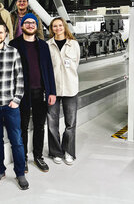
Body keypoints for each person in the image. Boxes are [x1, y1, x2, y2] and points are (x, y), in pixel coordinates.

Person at [0, 20, 29, 190]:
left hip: (10, 105)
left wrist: (16, 100)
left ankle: (20, 173)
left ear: (5, 34)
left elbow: (20, 78)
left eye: (0, 32)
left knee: (16, 140)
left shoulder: (13, 52)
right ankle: (0, 170)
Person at [9, 13, 56, 173]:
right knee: (21, 126)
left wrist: (52, 92)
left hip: (41, 92)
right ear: (22, 26)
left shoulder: (43, 45)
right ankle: (22, 158)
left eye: (33, 23)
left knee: (39, 126)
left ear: (37, 26)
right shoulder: (14, 44)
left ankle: (38, 156)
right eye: (27, 23)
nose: (30, 25)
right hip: (21, 93)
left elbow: (49, 69)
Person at [47, 17, 80, 165]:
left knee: (70, 123)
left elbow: (76, 63)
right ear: (51, 29)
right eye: (55, 26)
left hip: (70, 88)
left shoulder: (73, 44)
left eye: (60, 25)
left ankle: (68, 151)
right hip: (53, 90)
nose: (58, 28)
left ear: (64, 27)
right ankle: (55, 152)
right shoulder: (48, 45)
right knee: (52, 122)